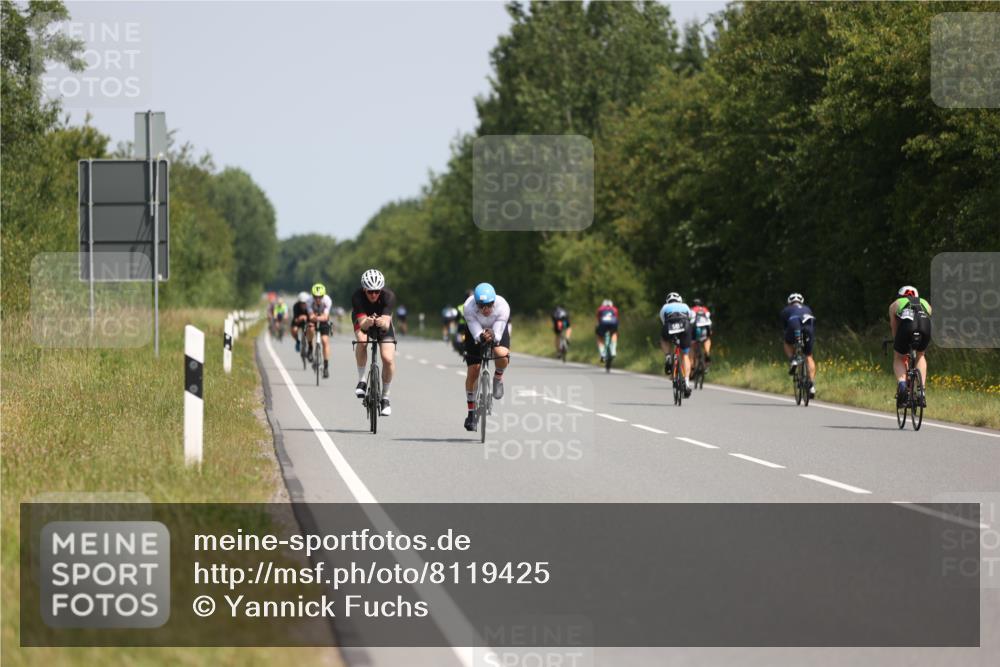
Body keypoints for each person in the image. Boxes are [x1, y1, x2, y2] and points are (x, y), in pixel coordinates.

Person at [462, 283, 511, 431]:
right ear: (476, 303)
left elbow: (499, 333)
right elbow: (475, 332)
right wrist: (480, 336)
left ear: (494, 302)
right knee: (473, 371)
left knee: (501, 354)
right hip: (475, 331)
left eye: (489, 305)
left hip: (497, 329)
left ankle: (498, 377)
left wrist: (493, 335)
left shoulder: (503, 306)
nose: (485, 309)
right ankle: (471, 413)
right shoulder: (468, 307)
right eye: (481, 306)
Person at [351, 269, 397, 417]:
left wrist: (380, 322)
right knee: (362, 341)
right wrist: (368, 322)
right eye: (370, 291)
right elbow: (363, 324)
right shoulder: (357, 297)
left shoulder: (388, 297)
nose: (373, 295)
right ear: (364, 289)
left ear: (381, 289)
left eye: (376, 291)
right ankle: (362, 380)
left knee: (388, 359)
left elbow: (385, 324)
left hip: (383, 322)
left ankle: (385, 397)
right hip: (363, 320)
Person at [889, 285, 932, 407]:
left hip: (907, 327)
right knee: (920, 355)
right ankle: (921, 391)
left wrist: (897, 343)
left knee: (899, 357)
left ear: (900, 296)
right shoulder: (925, 303)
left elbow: (894, 327)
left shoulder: (895, 304)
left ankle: (902, 384)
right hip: (924, 326)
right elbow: (928, 319)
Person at [780, 292, 816, 399]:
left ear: (789, 302)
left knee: (787, 342)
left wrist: (794, 339)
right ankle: (811, 385)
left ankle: (793, 360)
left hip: (794, 323)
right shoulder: (807, 308)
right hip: (809, 323)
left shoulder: (786, 310)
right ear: (801, 301)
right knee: (809, 355)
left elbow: (785, 328)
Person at [659, 293, 694, 398]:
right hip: (685, 325)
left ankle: (668, 356)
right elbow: (691, 319)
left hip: (670, 324)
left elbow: (663, 321)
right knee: (685, 355)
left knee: (664, 339)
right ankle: (687, 382)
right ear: (680, 300)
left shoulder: (665, 307)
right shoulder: (685, 306)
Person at [306, 283, 334, 378]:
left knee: (325, 341)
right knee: (310, 328)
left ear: (323, 295)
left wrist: (317, 318)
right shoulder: (309, 301)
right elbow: (310, 315)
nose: (318, 299)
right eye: (315, 297)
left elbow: (326, 317)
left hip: (323, 320)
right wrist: (314, 318)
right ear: (312, 296)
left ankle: (326, 367)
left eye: (320, 297)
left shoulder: (327, 300)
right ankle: (310, 347)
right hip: (313, 319)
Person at [691, 298, 713, 371]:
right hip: (706, 327)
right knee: (707, 339)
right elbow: (708, 317)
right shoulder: (705, 309)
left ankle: (694, 363)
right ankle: (707, 352)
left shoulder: (692, 309)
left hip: (696, 328)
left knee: (694, 342)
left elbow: (690, 320)